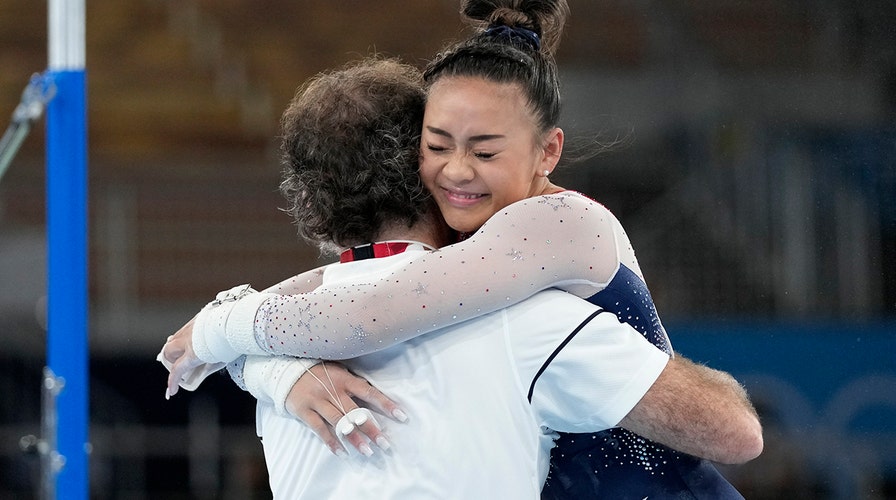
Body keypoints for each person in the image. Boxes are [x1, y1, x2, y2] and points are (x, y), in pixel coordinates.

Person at [162, 0, 763, 497]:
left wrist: (228, 334)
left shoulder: (554, 223)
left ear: (548, 154)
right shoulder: (469, 251)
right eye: (438, 144)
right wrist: (266, 360)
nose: (456, 171)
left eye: (485, 151)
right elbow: (337, 289)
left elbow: (369, 312)